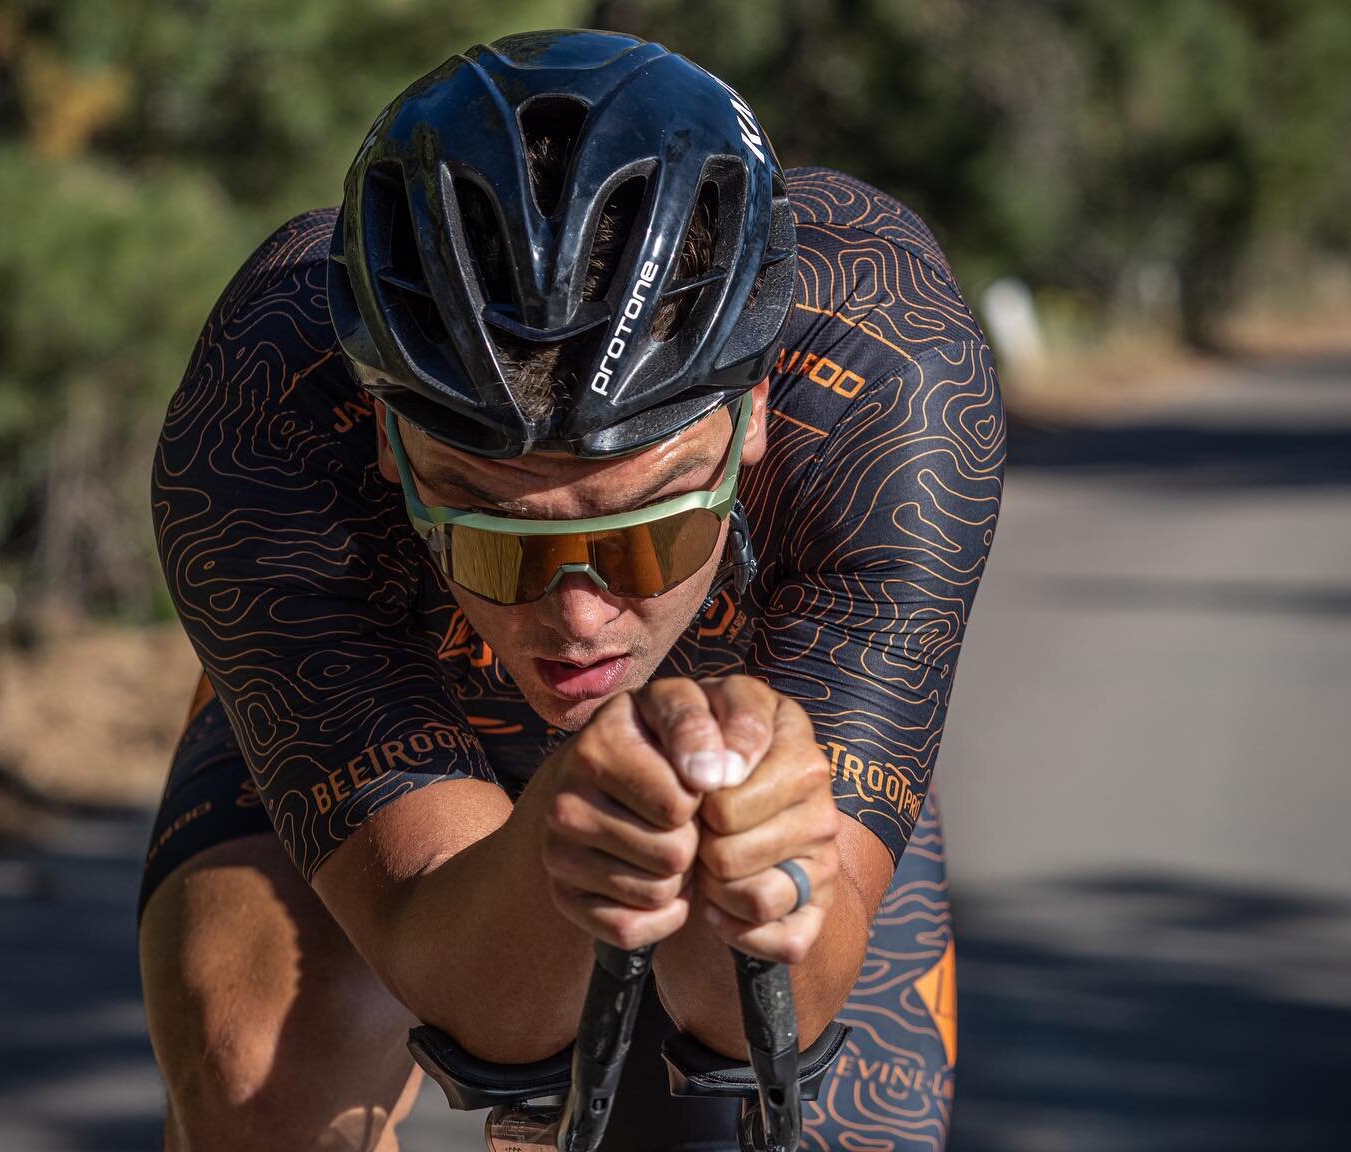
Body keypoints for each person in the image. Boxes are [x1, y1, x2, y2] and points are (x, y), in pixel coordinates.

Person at [140, 28, 1003, 1152]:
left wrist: (760, 872)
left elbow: (748, 1016)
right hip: (403, 701)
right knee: (255, 1083)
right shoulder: (270, 410)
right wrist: (560, 828)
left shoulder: (888, 379)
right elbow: (479, 1002)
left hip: (748, 743)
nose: (579, 618)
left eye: (648, 533)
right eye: (500, 537)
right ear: (389, 439)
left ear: (751, 417)